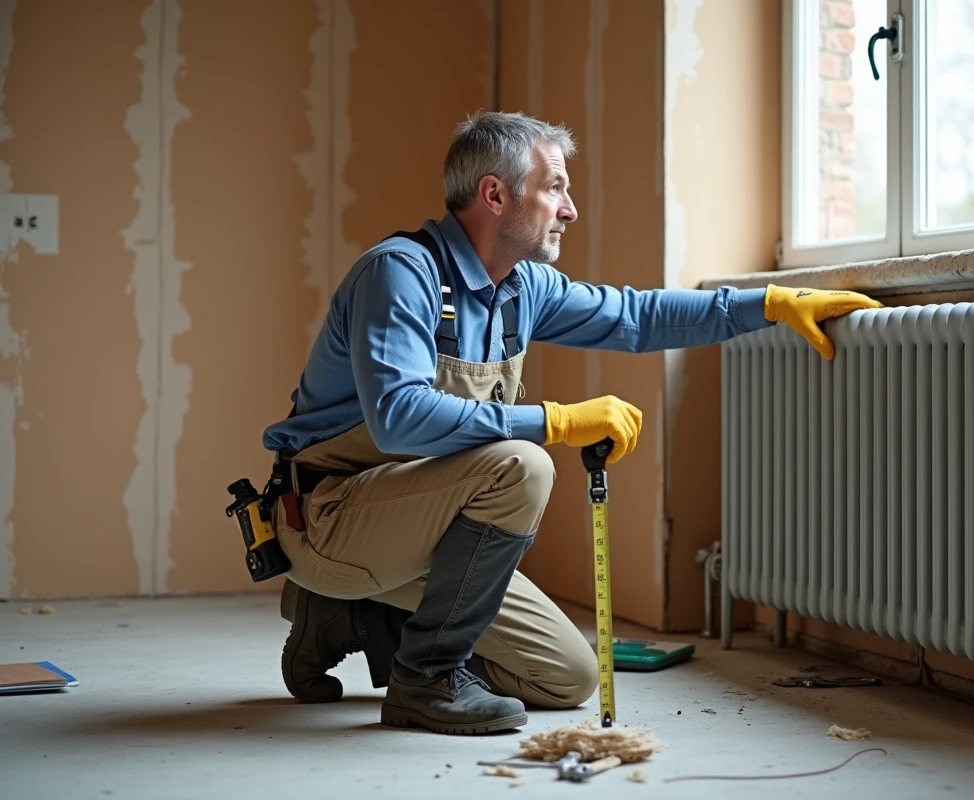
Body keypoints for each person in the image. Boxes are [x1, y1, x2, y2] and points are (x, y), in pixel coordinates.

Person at [260, 110, 882, 736]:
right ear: (495, 194)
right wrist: (555, 421)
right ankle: (424, 678)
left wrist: (769, 305)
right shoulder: (401, 273)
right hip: (328, 519)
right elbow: (397, 421)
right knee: (522, 463)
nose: (570, 208)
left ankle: (345, 618)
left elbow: (636, 317)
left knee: (567, 678)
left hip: (424, 528)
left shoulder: (523, 287)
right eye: (554, 186)